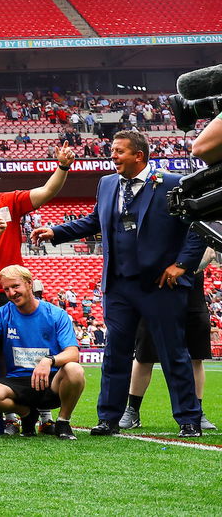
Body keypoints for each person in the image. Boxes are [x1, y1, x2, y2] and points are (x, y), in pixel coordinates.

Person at [34, 129, 207, 436]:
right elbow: (95, 221)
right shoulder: (108, 183)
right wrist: (56, 232)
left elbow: (197, 224)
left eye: (118, 151)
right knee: (115, 353)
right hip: (119, 285)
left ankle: (189, 419)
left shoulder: (172, 184)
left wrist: (182, 265)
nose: (111, 155)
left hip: (160, 285)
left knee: (173, 353)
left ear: (138, 155)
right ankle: (108, 419)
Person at [0, 264, 84, 440]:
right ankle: (27, 414)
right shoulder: (2, 314)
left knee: (75, 370)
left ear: (29, 284)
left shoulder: (55, 314)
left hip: (51, 381)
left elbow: (73, 353)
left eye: (16, 286)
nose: (11, 293)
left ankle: (63, 422)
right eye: (6, 289)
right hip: (18, 381)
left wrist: (48, 361)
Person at [0, 147, 72, 311]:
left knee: (21, 335)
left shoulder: (10, 201)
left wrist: (63, 166)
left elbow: (47, 191)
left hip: (14, 288)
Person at [120, 257, 217, 431]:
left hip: (192, 297)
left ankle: (197, 411)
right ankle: (132, 410)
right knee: (144, 356)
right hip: (156, 293)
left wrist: (182, 267)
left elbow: (209, 251)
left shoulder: (198, 228)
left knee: (196, 357)